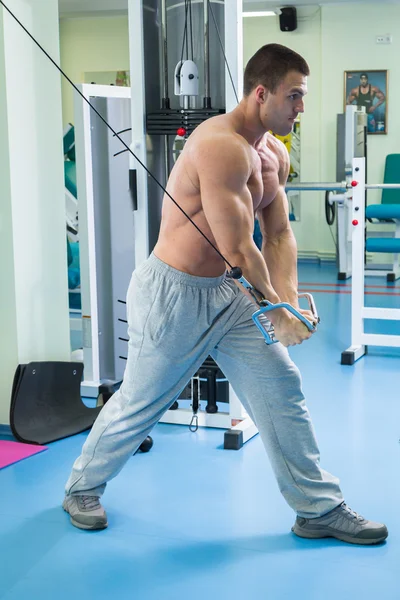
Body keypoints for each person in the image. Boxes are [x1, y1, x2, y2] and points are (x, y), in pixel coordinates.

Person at [63, 44, 388, 545]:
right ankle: (81, 488)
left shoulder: (272, 153)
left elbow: (277, 235)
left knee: (282, 386)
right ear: (262, 94)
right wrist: (278, 308)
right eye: (294, 96)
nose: (301, 108)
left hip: (226, 293)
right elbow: (237, 246)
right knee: (140, 403)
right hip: (174, 294)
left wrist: (291, 303)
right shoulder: (219, 146)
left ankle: (318, 509)